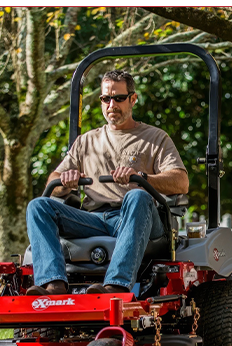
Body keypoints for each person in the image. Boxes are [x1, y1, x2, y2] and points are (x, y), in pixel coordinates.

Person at [25, 70, 189, 295]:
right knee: (38, 206)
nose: (112, 104)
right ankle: (53, 284)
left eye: (119, 98)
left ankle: (116, 285)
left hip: (137, 217)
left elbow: (181, 182)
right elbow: (54, 180)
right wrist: (66, 181)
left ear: (133, 99)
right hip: (93, 218)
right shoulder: (86, 141)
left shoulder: (155, 138)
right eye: (106, 99)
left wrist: (142, 179)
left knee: (137, 195)